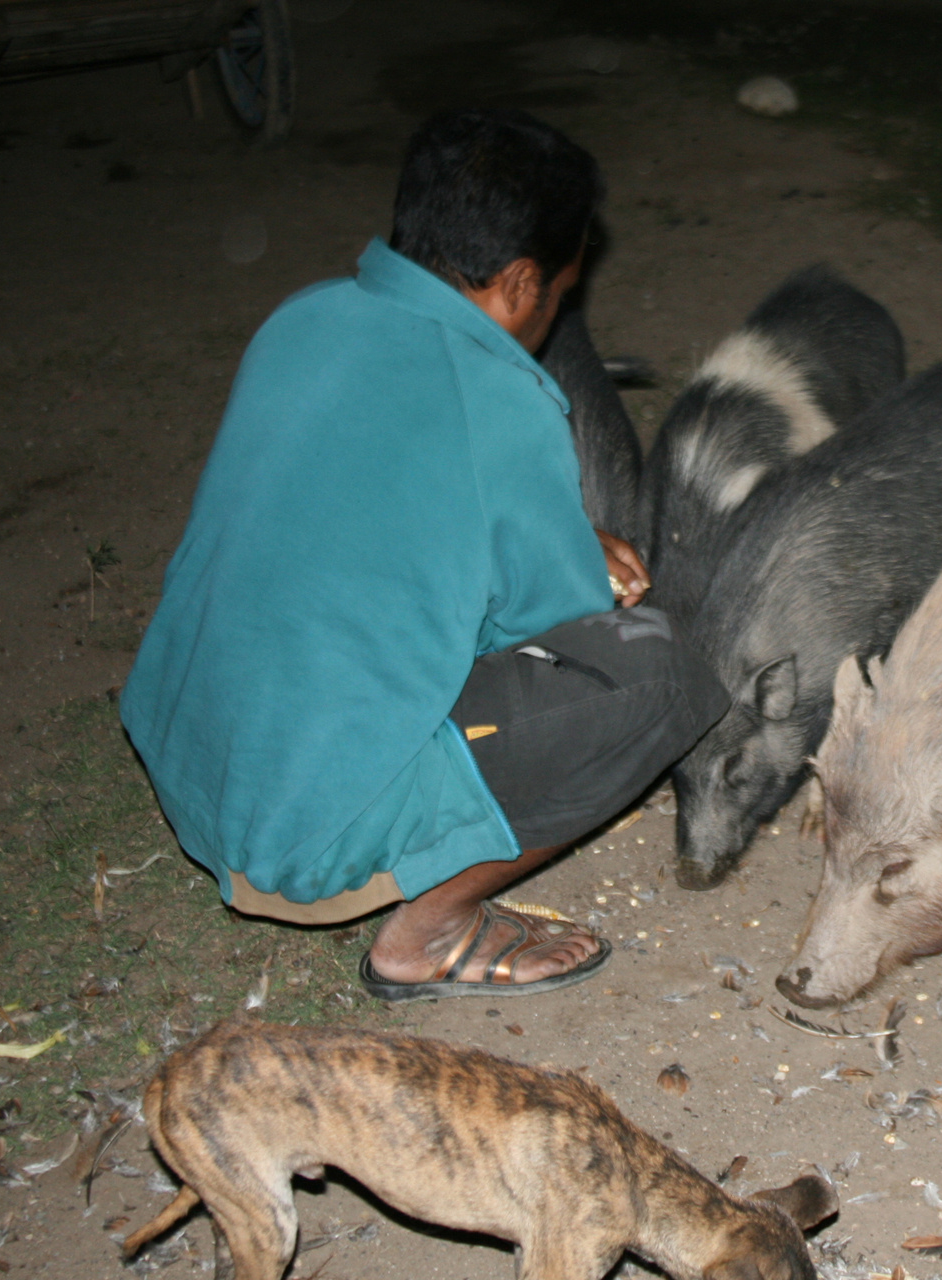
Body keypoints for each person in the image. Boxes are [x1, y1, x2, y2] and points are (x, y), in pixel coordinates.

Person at [119, 109, 727, 1001]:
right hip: (297, 837)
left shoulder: (306, 316)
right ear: (521, 283)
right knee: (663, 676)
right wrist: (575, 557)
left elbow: (371, 496)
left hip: (199, 760)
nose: (561, 309)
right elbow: (559, 626)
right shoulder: (500, 401)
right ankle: (431, 934)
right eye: (562, 290)